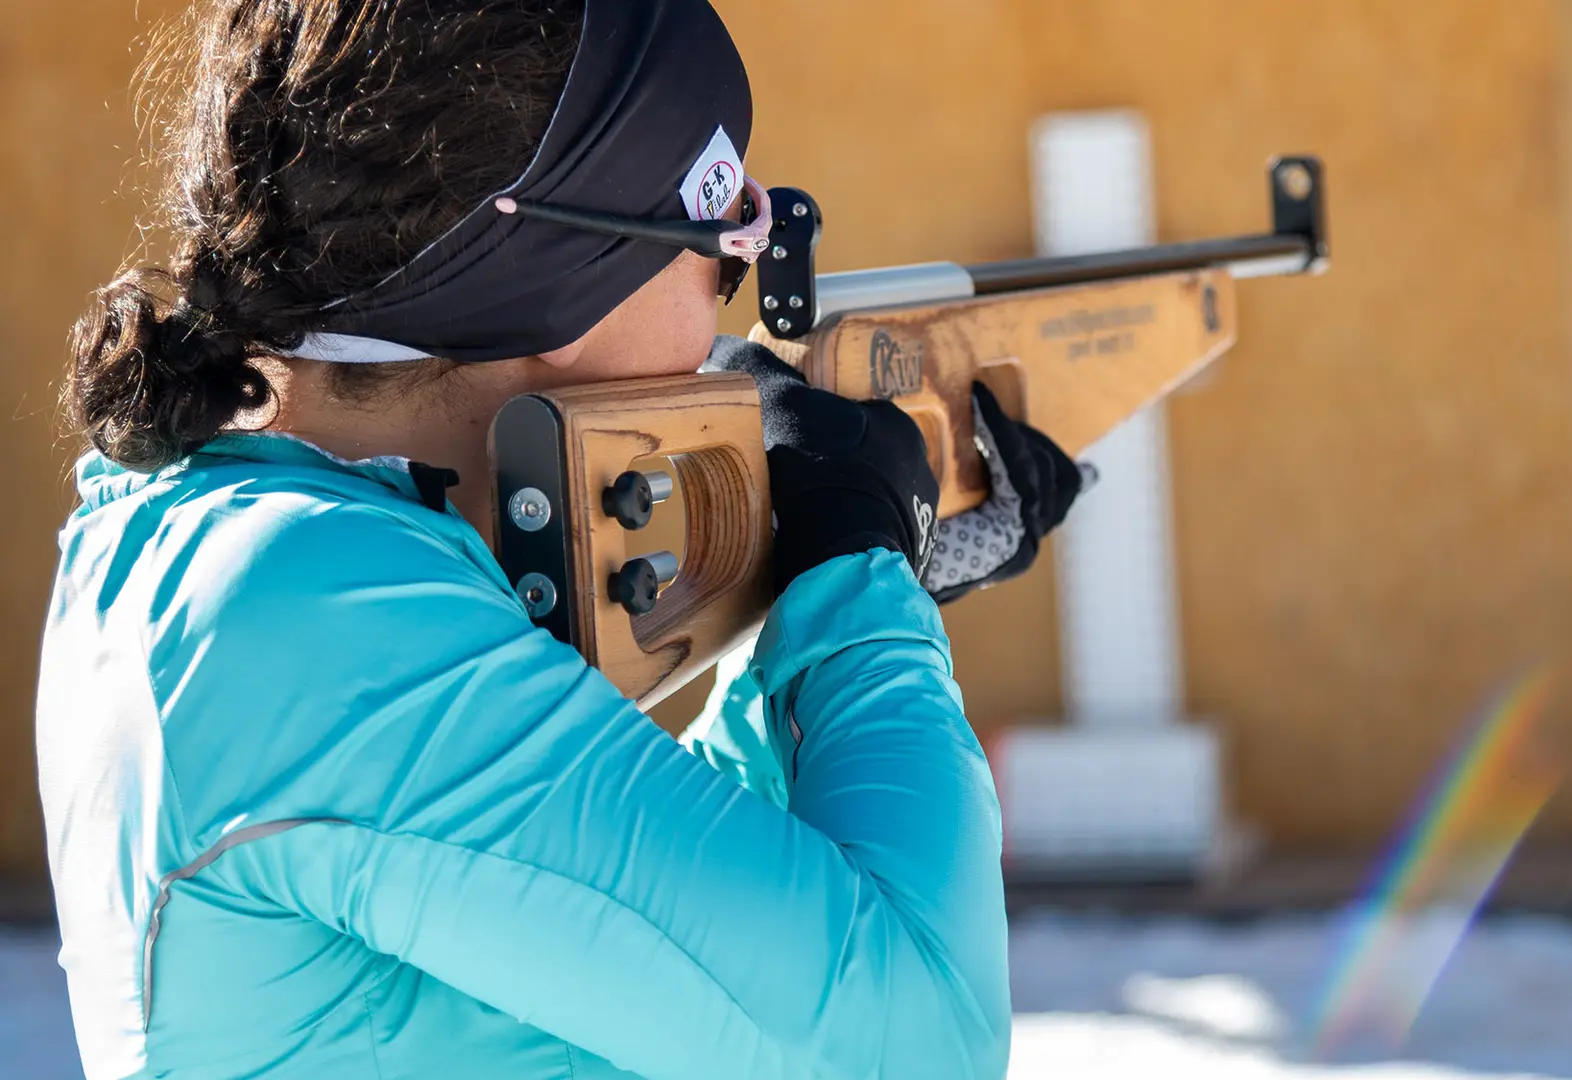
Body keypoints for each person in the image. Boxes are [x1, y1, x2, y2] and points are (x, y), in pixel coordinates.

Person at [36, 2, 1082, 1077]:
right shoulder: (298, 615)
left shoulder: (227, 554)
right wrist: (867, 599)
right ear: (574, 287)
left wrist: (842, 621)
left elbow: (641, 935)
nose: (731, 319)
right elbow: (918, 1039)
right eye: (727, 258)